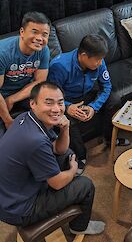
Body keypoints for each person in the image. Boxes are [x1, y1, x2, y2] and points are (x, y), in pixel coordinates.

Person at [0, 82, 105, 235]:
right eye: (48, 103)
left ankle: (64, 187)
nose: (56, 109)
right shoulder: (35, 141)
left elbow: (58, 149)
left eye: (60, 103)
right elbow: (56, 184)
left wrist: (65, 128)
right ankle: (79, 228)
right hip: (19, 209)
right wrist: (73, 170)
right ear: (33, 104)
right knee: (85, 185)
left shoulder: (26, 117)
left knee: (66, 154)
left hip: (9, 190)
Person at [48, 34, 128, 175]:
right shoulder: (59, 66)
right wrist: (67, 106)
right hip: (65, 100)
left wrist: (93, 107)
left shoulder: (99, 61)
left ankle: (109, 139)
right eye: (97, 60)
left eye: (101, 59)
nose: (100, 63)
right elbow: (51, 96)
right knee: (67, 122)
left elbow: (106, 86)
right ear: (84, 55)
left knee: (114, 99)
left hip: (87, 94)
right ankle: (80, 156)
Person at [0, 11, 50, 138]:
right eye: (34, 32)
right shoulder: (3, 52)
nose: (40, 38)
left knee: (48, 111)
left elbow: (40, 81)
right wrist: (7, 120)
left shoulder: (43, 51)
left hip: (23, 92)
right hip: (2, 95)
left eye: (45, 34)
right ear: (22, 32)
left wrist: (12, 99)